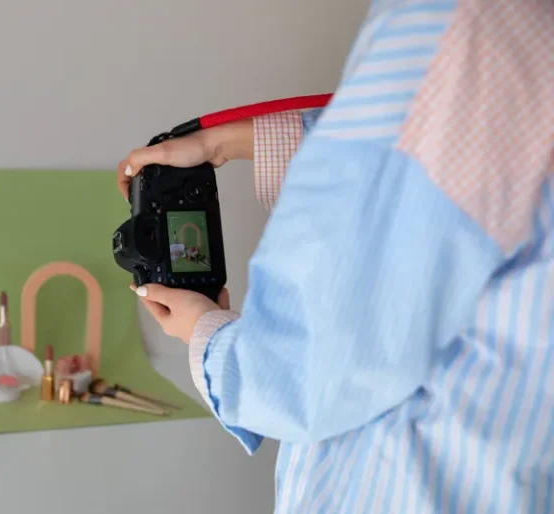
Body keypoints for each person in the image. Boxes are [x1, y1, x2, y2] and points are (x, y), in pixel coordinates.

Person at [117, 1, 553, 512]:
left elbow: (307, 370)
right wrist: (224, 143)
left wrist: (206, 334)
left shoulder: (463, 21)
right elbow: (459, 145)